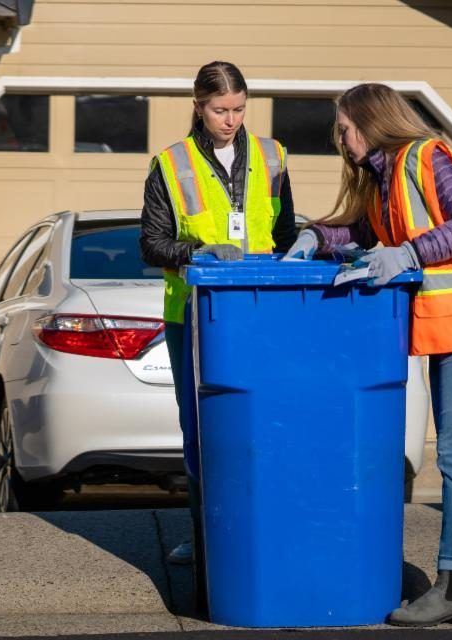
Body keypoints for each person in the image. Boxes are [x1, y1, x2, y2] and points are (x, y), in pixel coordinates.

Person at [285, 83, 452, 627]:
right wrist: (314, 238)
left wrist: (411, 252)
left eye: (344, 126)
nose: (340, 136)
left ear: (370, 122)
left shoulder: (428, 157)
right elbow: (364, 230)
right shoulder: (386, 175)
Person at [139, 61, 297, 575]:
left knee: (262, 421)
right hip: (193, 313)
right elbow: (151, 244)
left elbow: (288, 234)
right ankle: (205, 532)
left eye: (238, 109)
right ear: (198, 106)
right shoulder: (171, 164)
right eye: (219, 109)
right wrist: (200, 250)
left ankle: (262, 526)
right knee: (202, 429)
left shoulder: (272, 157)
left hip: (260, 311)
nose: (230, 119)